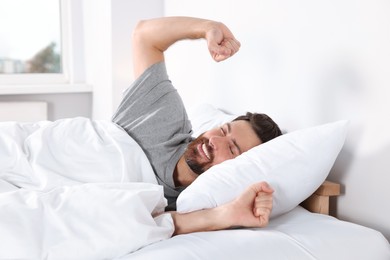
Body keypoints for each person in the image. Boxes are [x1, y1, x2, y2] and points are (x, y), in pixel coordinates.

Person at [111, 16, 282, 235]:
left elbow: (145, 223)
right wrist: (208, 28)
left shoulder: (193, 202)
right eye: (222, 130)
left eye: (231, 148)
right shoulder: (165, 117)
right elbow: (144, 35)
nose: (214, 140)